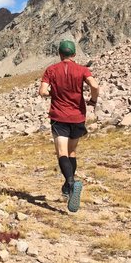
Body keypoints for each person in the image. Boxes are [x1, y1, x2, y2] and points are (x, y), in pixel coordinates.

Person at [38, 40, 99, 213]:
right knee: (72, 153)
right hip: (77, 116)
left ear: (59, 53)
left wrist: (54, 93)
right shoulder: (82, 70)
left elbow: (42, 91)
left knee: (61, 153)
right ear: (74, 54)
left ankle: (71, 184)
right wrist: (93, 100)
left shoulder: (51, 70)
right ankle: (68, 185)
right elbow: (95, 85)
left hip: (59, 116)